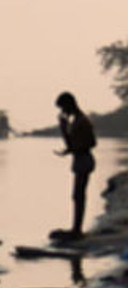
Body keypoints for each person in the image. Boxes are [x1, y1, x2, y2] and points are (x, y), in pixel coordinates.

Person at [55, 91, 97, 240]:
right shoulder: (77, 121)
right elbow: (73, 144)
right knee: (77, 195)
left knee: (78, 195)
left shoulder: (82, 121)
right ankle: (76, 228)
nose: (62, 111)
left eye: (63, 107)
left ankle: (77, 230)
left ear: (69, 105)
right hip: (80, 160)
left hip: (84, 160)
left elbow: (91, 143)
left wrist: (63, 130)